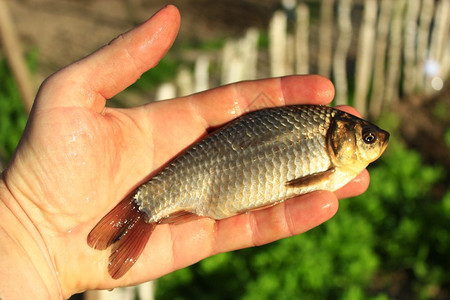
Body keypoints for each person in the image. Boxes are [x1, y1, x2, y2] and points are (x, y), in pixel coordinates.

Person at [0, 5, 369, 299]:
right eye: (366, 139)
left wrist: (30, 240)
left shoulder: (325, 147)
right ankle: (145, 206)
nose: (373, 143)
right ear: (341, 136)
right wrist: (29, 232)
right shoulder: (322, 138)